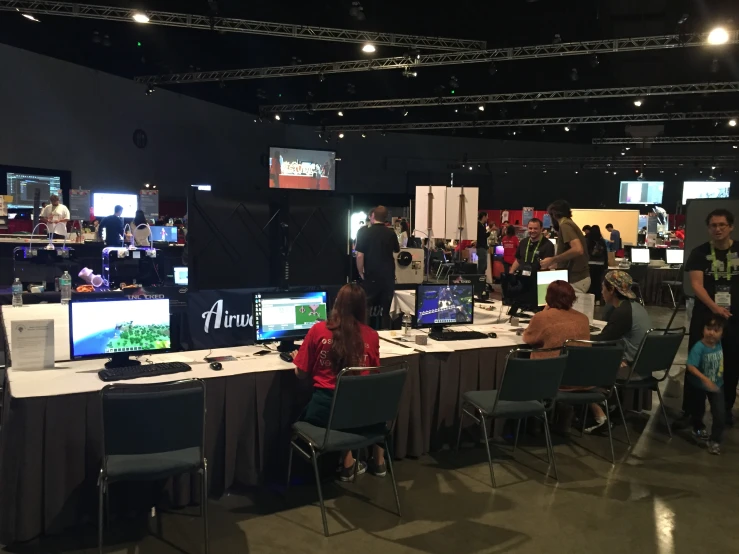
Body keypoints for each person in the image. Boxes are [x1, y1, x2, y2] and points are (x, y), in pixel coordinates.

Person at [293, 284, 387, 480]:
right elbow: (374, 376)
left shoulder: (318, 330)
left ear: (336, 304)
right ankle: (378, 462)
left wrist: (297, 358)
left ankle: (348, 464)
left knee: (338, 402)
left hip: (324, 413)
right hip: (362, 414)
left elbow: (301, 373)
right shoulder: (372, 335)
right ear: (363, 307)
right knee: (371, 402)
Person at [683, 208, 739, 426]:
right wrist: (715, 307)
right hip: (706, 316)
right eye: (713, 225)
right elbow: (696, 285)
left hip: (733, 319)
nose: (717, 229)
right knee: (698, 361)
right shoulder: (699, 253)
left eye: (722, 225)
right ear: (708, 228)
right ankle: (693, 411)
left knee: (732, 363)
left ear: (730, 227)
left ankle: (725, 409)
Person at [587, 270, 652, 433]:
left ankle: (599, 416)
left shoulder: (623, 313)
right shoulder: (635, 307)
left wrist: (577, 335)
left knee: (579, 364)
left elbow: (602, 341)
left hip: (630, 369)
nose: (601, 291)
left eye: (603, 288)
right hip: (641, 366)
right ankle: (606, 404)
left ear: (612, 290)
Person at [685, 315, 725, 454]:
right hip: (699, 386)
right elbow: (691, 366)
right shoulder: (699, 347)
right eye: (709, 329)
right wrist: (704, 379)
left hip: (716, 385)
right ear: (703, 330)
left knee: (720, 415)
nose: (711, 333)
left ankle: (714, 441)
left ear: (721, 333)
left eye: (716, 330)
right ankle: (698, 428)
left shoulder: (719, 344)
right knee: (698, 410)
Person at [355, 205, 399, 330]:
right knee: (386, 310)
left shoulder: (364, 232)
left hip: (371, 275)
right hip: (388, 276)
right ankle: (386, 335)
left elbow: (359, 256)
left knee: (366, 308)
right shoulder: (391, 233)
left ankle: (366, 335)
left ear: (373, 216)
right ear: (386, 218)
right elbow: (396, 250)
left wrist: (360, 272)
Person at [523, 280, 590, 359]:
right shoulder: (584, 318)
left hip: (548, 367)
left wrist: (544, 312)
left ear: (548, 297)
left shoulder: (542, 317)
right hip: (579, 368)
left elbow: (528, 338)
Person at [541, 200, 590, 293]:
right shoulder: (569, 223)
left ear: (554, 214)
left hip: (576, 279)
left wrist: (552, 259)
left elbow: (578, 249)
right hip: (579, 278)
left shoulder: (565, 225)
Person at [586, 225, 609, 301]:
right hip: (600, 264)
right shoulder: (602, 241)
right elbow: (605, 254)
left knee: (591, 282)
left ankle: (590, 299)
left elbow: (586, 253)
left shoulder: (588, 241)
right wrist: (606, 265)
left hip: (590, 264)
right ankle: (598, 299)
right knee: (598, 282)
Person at [475, 211, 491, 276]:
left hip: (483, 247)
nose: (487, 218)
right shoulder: (479, 225)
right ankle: (479, 280)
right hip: (481, 247)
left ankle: (481, 279)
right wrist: (490, 231)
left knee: (484, 265)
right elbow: (483, 236)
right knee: (482, 265)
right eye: (487, 216)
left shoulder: (482, 225)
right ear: (484, 217)